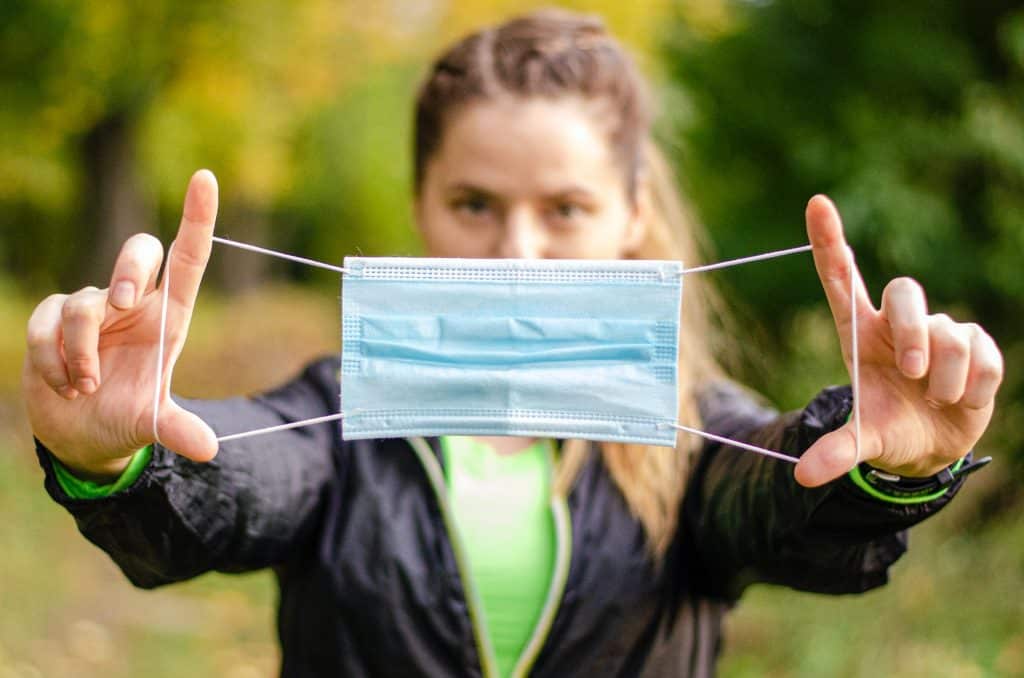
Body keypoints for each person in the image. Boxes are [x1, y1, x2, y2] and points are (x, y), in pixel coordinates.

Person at [23, 9, 1003, 678]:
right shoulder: (341, 407)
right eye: (474, 203)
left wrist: (890, 467)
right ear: (419, 207)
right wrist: (116, 452)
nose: (520, 248)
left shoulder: (696, 437)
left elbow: (787, 508)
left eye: (565, 208)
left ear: (629, 217)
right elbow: (238, 476)